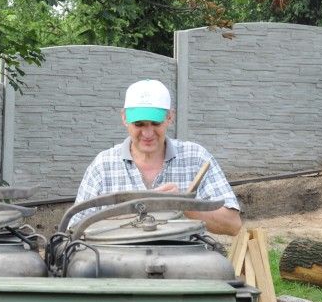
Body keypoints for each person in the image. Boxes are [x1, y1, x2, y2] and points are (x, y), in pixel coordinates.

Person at [71, 79, 242, 236]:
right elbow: (74, 230)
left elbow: (233, 224)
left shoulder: (196, 157)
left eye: (155, 123)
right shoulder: (103, 166)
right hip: (117, 264)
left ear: (169, 117)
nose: (147, 133)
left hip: (185, 265)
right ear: (124, 118)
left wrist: (182, 205)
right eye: (139, 124)